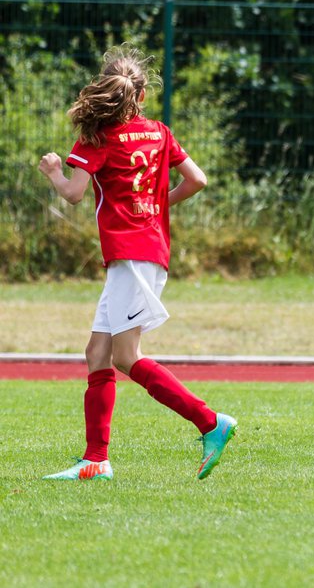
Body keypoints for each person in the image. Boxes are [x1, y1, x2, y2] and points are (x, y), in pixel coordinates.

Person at [37, 45, 237, 481]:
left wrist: (53, 170)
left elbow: (72, 194)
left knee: (126, 356)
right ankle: (96, 460)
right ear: (141, 95)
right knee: (98, 353)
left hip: (131, 257)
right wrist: (157, 202)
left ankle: (210, 422)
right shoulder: (160, 133)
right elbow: (197, 180)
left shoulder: (96, 138)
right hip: (147, 250)